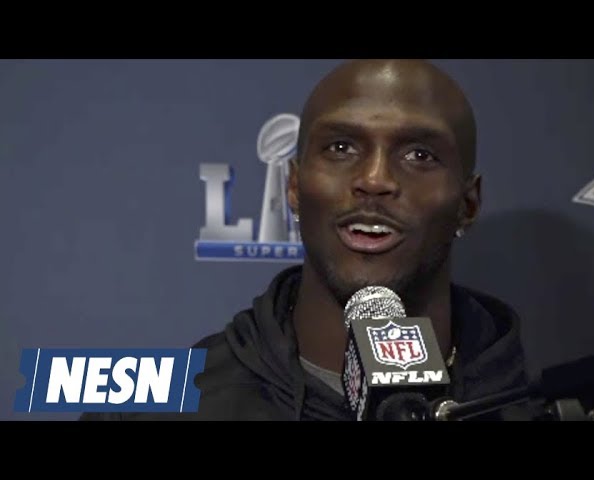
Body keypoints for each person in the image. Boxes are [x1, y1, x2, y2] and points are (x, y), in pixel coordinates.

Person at [80, 59, 529, 421]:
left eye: (419, 154)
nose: (374, 179)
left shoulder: (538, 409)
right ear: (293, 186)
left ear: (468, 204)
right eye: (341, 148)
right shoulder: (149, 410)